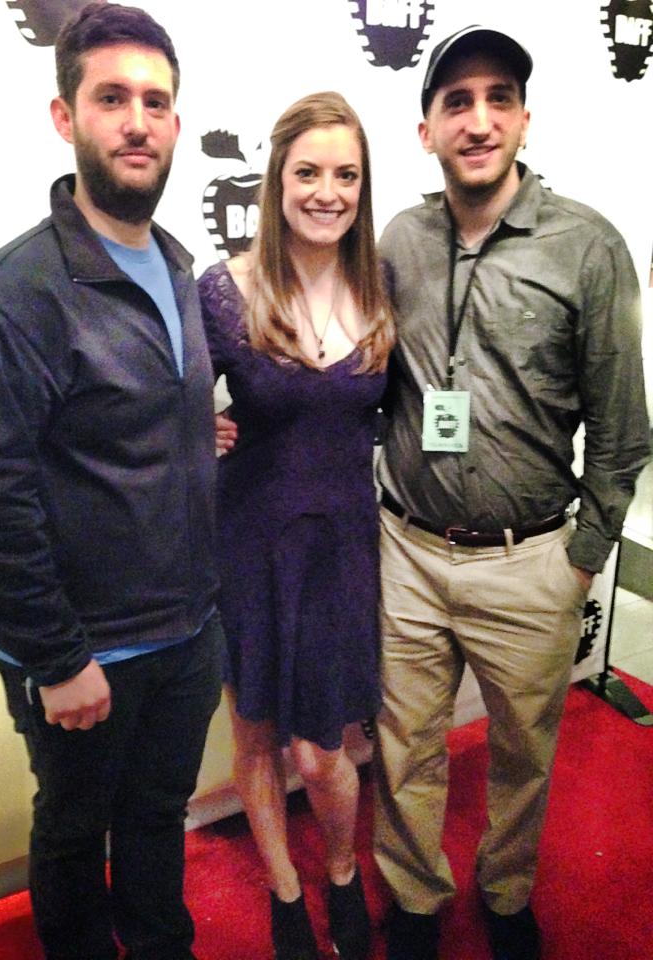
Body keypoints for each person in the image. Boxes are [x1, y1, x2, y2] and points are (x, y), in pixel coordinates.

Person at [0, 4, 223, 959]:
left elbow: (118, 424)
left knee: (156, 821)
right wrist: (56, 659)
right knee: (71, 837)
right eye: (112, 99)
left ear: (177, 123)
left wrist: (191, 431)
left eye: (156, 101)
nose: (137, 121)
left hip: (185, 636)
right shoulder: (11, 294)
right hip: (87, 658)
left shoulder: (177, 265)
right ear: (67, 117)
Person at [373, 25, 651, 960]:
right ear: (427, 131)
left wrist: (578, 563)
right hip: (406, 552)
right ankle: (413, 901)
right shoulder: (399, 241)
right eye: (457, 101)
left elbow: (623, 431)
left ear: (525, 119)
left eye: (498, 98)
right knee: (404, 746)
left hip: (528, 560)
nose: (479, 119)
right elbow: (356, 382)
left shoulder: (588, 246)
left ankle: (505, 891)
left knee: (523, 757)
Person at [198, 92, 395, 960]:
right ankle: (284, 889)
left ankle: (343, 870)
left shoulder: (384, 288)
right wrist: (189, 426)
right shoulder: (223, 288)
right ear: (276, 180)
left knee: (323, 750)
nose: (327, 191)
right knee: (255, 730)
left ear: (363, 186)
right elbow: (156, 396)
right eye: (308, 171)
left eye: (345, 174)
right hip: (251, 537)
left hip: (344, 541)